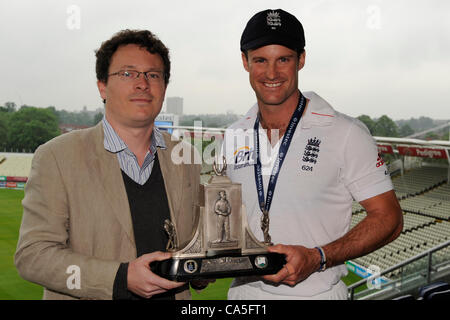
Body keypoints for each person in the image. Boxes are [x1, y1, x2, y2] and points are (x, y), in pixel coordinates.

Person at [222, 9, 403, 299]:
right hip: (243, 295)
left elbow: (389, 218)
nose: (271, 73)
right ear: (245, 62)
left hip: (315, 293)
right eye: (260, 60)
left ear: (301, 60)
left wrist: (318, 256)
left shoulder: (346, 132)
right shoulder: (233, 135)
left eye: (283, 59)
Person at [15, 29, 204, 300]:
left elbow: (193, 247)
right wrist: (120, 278)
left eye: (153, 75)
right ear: (102, 86)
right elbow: (33, 255)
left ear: (164, 87)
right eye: (128, 74)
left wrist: (203, 269)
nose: (142, 84)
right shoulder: (56, 157)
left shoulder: (186, 158)